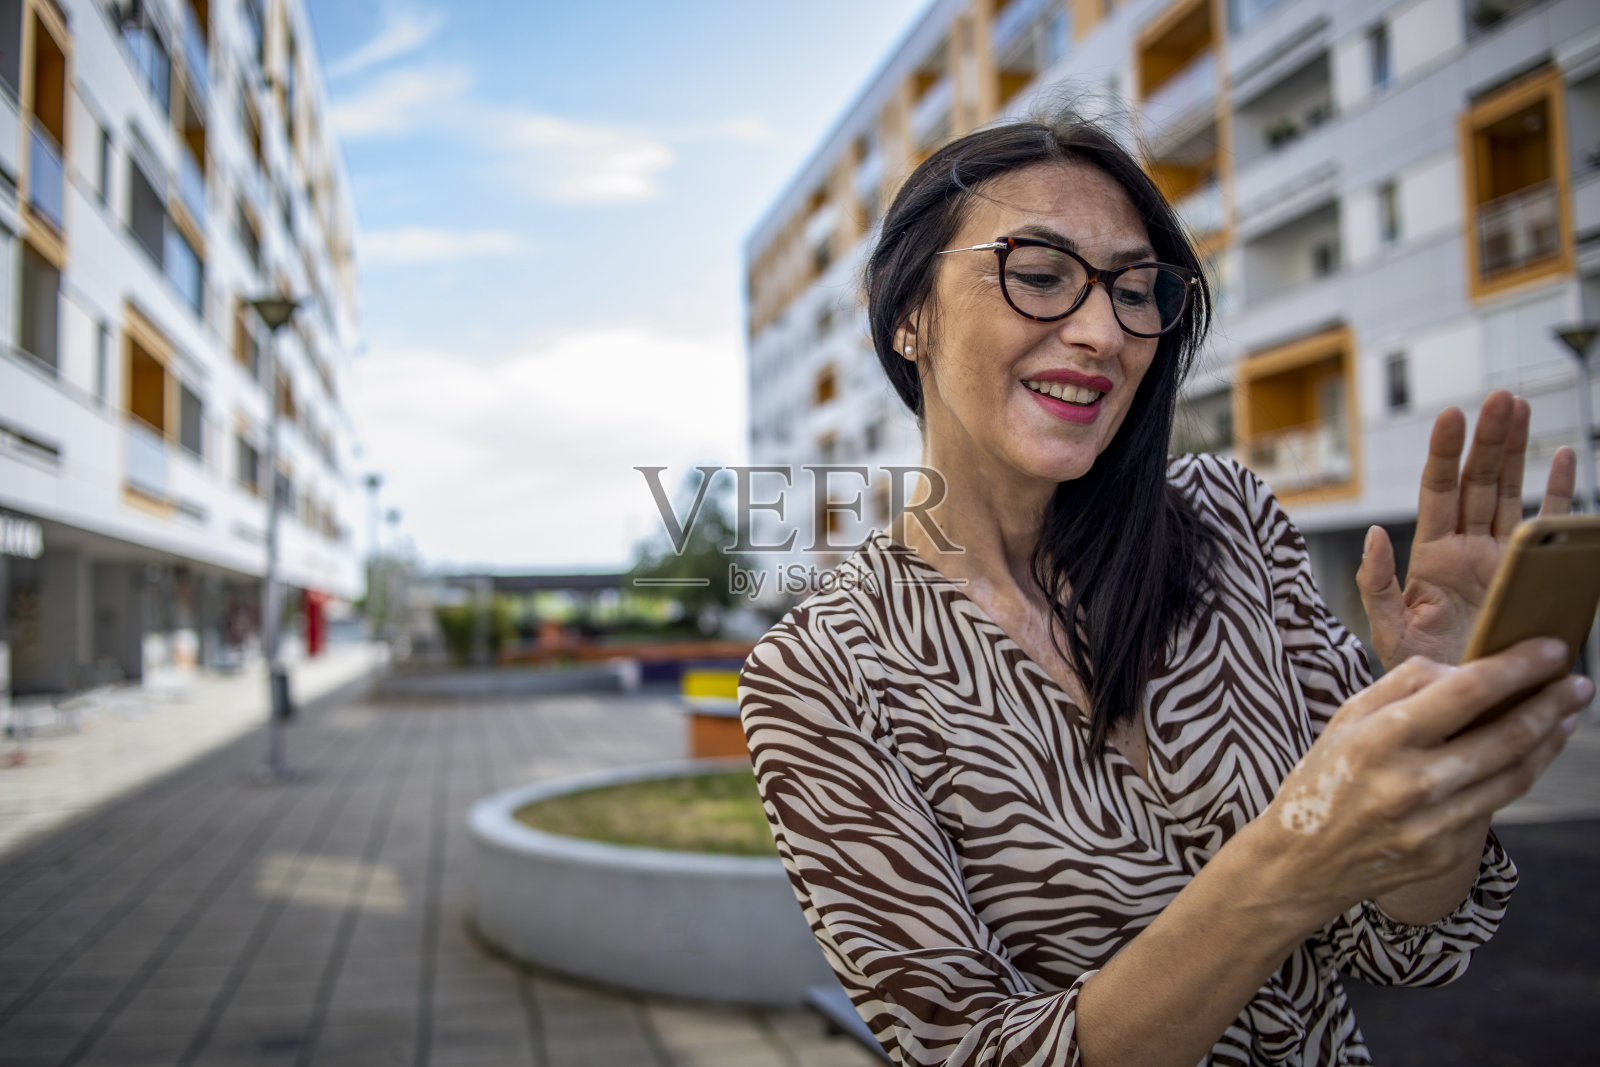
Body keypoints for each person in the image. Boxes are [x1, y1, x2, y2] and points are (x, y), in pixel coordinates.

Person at [736, 114, 1591, 1067]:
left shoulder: (1230, 520)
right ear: (908, 313)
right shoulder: (817, 673)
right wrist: (1296, 855)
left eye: (1138, 291)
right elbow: (966, 1049)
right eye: (1041, 273)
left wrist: (1441, 746)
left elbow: (1402, 942)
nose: (1106, 332)